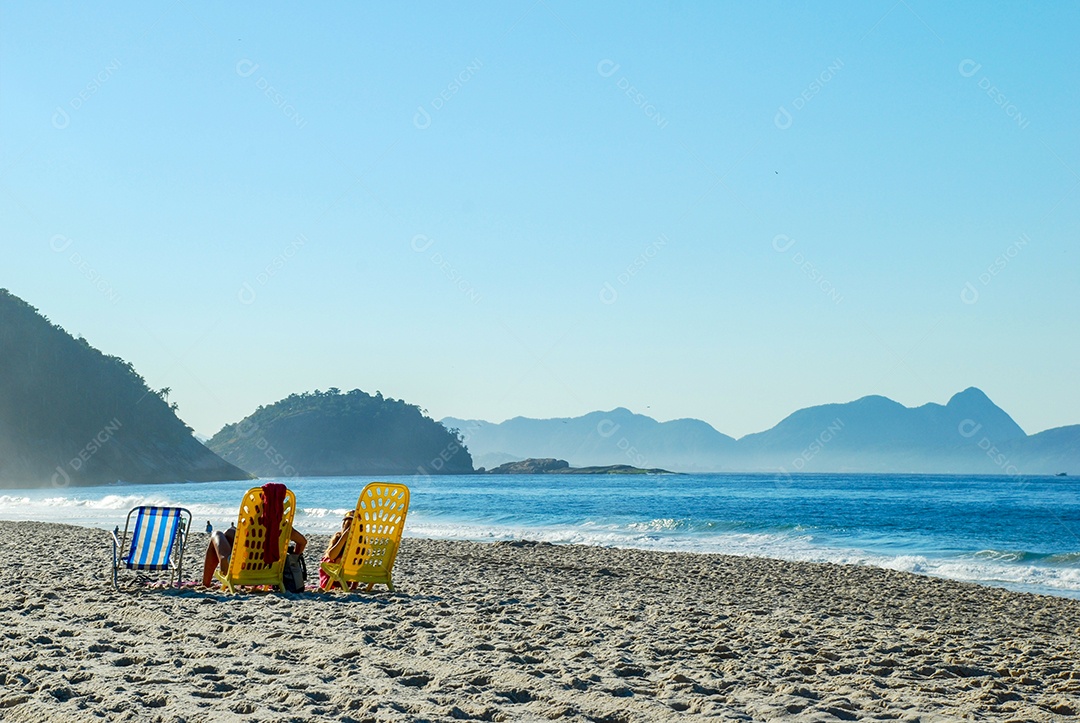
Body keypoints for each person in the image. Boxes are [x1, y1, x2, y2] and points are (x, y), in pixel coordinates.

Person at [202, 522, 307, 588]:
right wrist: (294, 557)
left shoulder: (250, 523)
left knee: (217, 534)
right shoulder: (284, 526)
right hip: (269, 573)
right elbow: (302, 542)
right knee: (229, 532)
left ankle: (206, 583)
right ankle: (206, 583)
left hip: (241, 572)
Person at [319, 510, 360, 590]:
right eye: (348, 525)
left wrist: (354, 585)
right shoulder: (338, 537)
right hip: (330, 574)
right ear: (343, 525)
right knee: (338, 560)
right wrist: (344, 538)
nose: (350, 529)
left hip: (345, 577)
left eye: (354, 525)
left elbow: (359, 564)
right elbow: (331, 556)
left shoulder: (360, 542)